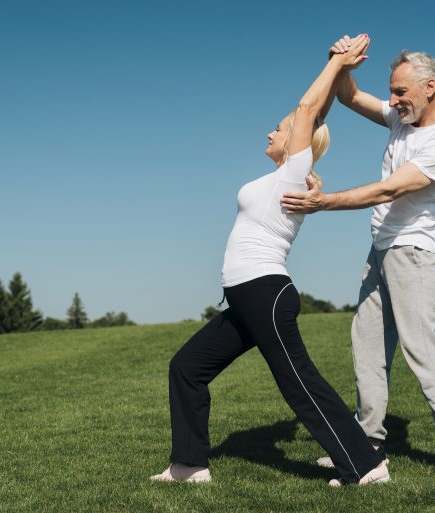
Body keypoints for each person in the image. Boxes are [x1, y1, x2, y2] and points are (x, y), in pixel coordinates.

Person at [150, 34, 389, 487]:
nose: (271, 133)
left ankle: (366, 465)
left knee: (299, 383)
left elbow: (307, 112)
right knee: (187, 367)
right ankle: (188, 465)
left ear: (295, 143)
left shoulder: (294, 175)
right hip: (243, 300)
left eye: (277, 130)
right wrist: (335, 68)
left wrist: (336, 63)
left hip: (265, 292)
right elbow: (312, 114)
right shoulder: (280, 177)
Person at [281, 37, 435, 478]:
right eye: (391, 91)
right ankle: (367, 442)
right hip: (381, 248)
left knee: (419, 348)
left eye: (401, 92)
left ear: (430, 87)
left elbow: (390, 189)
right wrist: (339, 61)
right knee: (367, 346)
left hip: (414, 252)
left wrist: (324, 203)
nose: (393, 101)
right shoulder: (401, 120)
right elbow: (349, 94)